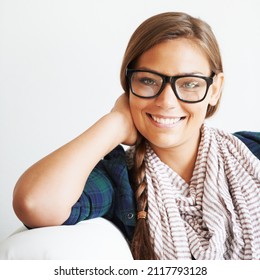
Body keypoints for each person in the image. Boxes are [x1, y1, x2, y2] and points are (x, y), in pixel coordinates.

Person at [13, 12, 260, 260]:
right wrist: (114, 123)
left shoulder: (253, 153)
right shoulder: (119, 179)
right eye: (148, 81)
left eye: (189, 83)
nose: (167, 102)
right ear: (128, 85)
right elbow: (34, 203)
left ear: (214, 90)